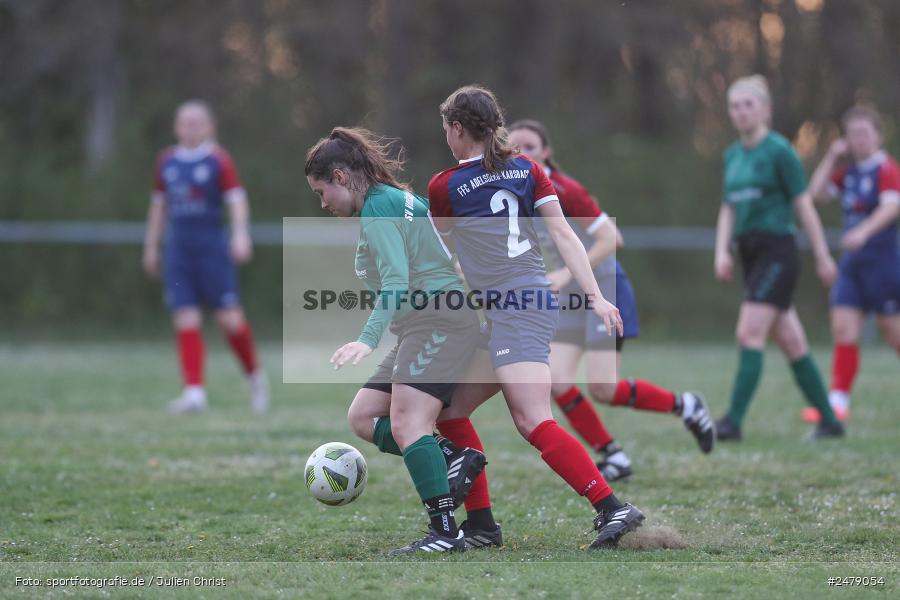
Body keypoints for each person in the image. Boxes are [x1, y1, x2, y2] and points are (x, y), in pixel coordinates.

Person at [428, 85, 645, 550]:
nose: (445, 134)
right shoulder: (527, 170)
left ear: (458, 128)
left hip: (517, 310)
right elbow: (565, 235)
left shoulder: (443, 185)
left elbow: (444, 256)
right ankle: (482, 525)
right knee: (450, 411)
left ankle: (612, 507)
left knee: (531, 417)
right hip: (521, 304)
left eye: (446, 127)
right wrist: (595, 296)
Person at [305, 127, 488, 556]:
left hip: (438, 320)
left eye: (321, 191)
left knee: (408, 424)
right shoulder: (396, 199)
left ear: (341, 176)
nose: (323, 203)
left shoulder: (378, 207)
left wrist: (367, 339)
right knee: (364, 416)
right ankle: (450, 457)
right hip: (426, 322)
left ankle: (444, 531)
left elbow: (396, 280)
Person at [507, 119, 715, 482]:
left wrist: (567, 275)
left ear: (547, 152)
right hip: (568, 298)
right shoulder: (513, 191)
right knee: (557, 381)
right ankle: (612, 454)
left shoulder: (564, 189)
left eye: (531, 147)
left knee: (603, 387)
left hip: (604, 289)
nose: (522, 154)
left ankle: (686, 405)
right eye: (515, 147)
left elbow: (611, 238)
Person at [712, 76, 843, 441]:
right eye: (734, 106)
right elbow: (728, 208)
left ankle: (732, 422)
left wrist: (822, 256)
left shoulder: (781, 151)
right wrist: (721, 250)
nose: (740, 112)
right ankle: (831, 422)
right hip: (749, 252)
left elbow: (804, 206)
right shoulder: (732, 155)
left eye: (747, 105)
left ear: (765, 109)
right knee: (791, 340)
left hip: (777, 250)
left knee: (749, 331)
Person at [143, 100, 269, 414]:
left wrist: (240, 234)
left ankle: (255, 377)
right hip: (178, 251)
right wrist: (151, 247)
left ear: (209, 126)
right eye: (185, 121)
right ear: (176, 126)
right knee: (186, 317)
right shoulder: (166, 162)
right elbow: (158, 208)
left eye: (198, 121)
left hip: (212, 249)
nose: (191, 127)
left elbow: (237, 200)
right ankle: (194, 393)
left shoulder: (218, 161)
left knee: (229, 318)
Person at [803, 106, 900, 423]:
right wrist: (831, 156)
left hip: (883, 265)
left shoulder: (886, 168)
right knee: (843, 329)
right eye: (852, 134)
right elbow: (816, 194)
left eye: (864, 133)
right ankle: (837, 403)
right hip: (852, 267)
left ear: (878, 136)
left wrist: (863, 231)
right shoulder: (848, 173)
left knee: (893, 333)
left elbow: (891, 208)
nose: (858, 140)